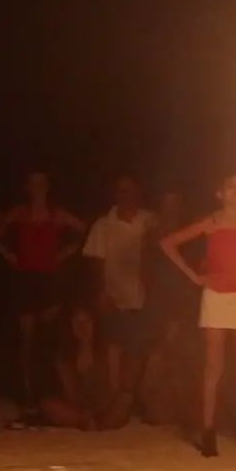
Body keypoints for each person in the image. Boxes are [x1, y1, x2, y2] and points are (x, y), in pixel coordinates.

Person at [160, 174, 236, 462]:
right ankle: (208, 431)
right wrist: (193, 275)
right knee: (214, 366)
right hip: (216, 295)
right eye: (231, 186)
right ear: (220, 194)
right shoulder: (211, 222)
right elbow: (167, 243)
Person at [0, 169, 86, 409]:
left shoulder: (57, 214)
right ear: (27, 187)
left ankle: (52, 390)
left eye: (42, 183)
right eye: (33, 183)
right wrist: (8, 254)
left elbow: (84, 229)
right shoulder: (19, 212)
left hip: (49, 280)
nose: (38, 187)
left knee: (49, 338)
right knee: (27, 339)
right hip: (25, 278)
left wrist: (67, 252)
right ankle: (28, 393)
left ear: (48, 186)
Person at [82, 175, 156, 415]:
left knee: (138, 348)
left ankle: (133, 398)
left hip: (143, 295)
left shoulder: (150, 220)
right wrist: (101, 291)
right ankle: (116, 397)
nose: (126, 195)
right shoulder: (103, 224)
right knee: (114, 345)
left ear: (139, 192)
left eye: (130, 190)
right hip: (114, 294)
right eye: (121, 191)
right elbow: (95, 261)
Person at [142, 190, 199, 427]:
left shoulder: (189, 235)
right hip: (157, 300)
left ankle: (181, 406)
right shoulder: (152, 234)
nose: (171, 207)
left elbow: (195, 265)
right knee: (156, 350)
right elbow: (144, 266)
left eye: (176, 202)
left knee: (180, 350)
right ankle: (150, 403)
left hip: (182, 299)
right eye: (167, 202)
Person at [38, 305, 134, 430]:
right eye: (77, 322)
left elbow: (115, 388)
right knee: (48, 405)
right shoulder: (65, 358)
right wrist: (83, 413)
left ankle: (100, 424)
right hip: (79, 409)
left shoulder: (110, 351)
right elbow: (69, 393)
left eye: (86, 322)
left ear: (94, 324)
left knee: (125, 400)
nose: (82, 326)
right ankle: (85, 422)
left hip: (105, 407)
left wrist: (101, 408)